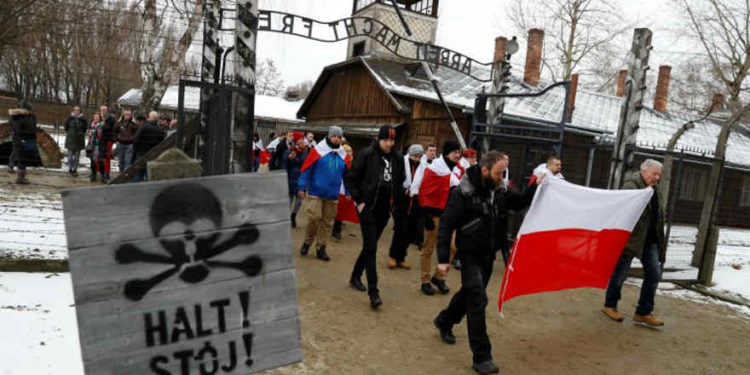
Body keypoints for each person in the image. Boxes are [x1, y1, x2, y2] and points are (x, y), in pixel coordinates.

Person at [433, 151, 542, 374]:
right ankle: (482, 356)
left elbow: (519, 202)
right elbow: (446, 224)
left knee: (469, 295)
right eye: (499, 172)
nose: (503, 177)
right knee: (478, 300)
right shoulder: (463, 192)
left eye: (503, 172)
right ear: (484, 171)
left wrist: (536, 185)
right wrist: (443, 258)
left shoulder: (499, 190)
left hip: (488, 255)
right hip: (469, 254)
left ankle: (444, 321)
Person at [346, 125, 406, 309]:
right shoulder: (367, 154)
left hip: (384, 208)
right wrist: (359, 201)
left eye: (392, 140)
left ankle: (355, 275)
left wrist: (397, 205)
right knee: (371, 247)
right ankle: (374, 292)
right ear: (379, 139)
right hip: (367, 206)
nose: (389, 143)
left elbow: (400, 181)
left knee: (369, 246)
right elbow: (351, 178)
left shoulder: (397, 158)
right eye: (386, 140)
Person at [602, 159, 666, 328]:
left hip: (649, 240)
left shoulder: (656, 190)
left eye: (659, 174)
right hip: (631, 239)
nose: (657, 177)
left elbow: (658, 215)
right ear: (643, 171)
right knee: (620, 273)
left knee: (653, 274)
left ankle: (643, 311)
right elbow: (623, 209)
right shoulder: (631, 186)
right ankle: (610, 305)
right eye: (654, 174)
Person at [411, 140, 461, 296]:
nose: (457, 155)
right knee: (428, 249)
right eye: (455, 152)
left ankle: (438, 277)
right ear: (447, 153)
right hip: (433, 215)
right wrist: (425, 215)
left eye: (459, 153)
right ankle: (425, 281)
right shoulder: (433, 169)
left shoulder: (454, 170)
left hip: (449, 216)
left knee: (453, 247)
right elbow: (423, 190)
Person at [298, 126, 349, 262]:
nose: (336, 139)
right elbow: (306, 169)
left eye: (339, 137)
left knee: (327, 223)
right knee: (314, 218)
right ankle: (308, 242)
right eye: (334, 136)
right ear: (329, 136)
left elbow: (347, 176)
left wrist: (349, 191)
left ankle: (321, 247)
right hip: (316, 191)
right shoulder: (318, 151)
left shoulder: (343, 154)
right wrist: (302, 187)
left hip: (332, 194)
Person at [387, 144, 425, 270]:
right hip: (402, 202)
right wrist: (403, 191)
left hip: (415, 202)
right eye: (415, 155)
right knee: (400, 230)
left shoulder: (423, 166)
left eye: (419, 156)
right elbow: (395, 181)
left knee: (410, 233)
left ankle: (402, 257)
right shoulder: (401, 163)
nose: (417, 158)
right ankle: (393, 256)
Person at [332, 143, 358, 240]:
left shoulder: (354, 163)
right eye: (346, 151)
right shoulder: (339, 161)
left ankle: (337, 229)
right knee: (335, 208)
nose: (348, 153)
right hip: (338, 187)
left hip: (347, 188)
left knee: (343, 209)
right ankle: (334, 227)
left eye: (350, 151)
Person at [8, 100, 37, 185]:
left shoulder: (14, 116)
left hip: (17, 138)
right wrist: (32, 118)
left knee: (21, 158)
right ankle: (20, 178)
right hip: (24, 139)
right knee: (22, 159)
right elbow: (30, 128)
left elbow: (12, 125)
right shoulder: (24, 117)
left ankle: (21, 177)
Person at [132, 111, 166, 182]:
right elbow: (162, 143)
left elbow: (136, 139)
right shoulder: (160, 130)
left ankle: (133, 190)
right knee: (149, 174)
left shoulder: (143, 127)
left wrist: (137, 150)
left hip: (141, 154)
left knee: (138, 173)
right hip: (153, 155)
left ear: (149, 118)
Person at [284, 132, 307, 227]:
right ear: (296, 140)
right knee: (290, 199)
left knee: (300, 200)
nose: (302, 141)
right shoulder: (290, 151)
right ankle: (286, 218)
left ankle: (293, 215)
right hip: (291, 178)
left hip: (301, 178)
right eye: (300, 139)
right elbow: (285, 165)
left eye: (303, 139)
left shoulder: (305, 151)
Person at [64, 106, 88, 176]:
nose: (76, 111)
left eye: (77, 110)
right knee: (70, 155)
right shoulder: (69, 118)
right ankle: (70, 168)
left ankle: (75, 169)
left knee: (77, 156)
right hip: (70, 139)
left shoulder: (83, 119)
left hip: (79, 140)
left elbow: (85, 129)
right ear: (73, 111)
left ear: (80, 111)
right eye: (75, 110)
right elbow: (66, 127)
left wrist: (80, 133)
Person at [100, 107, 117, 182]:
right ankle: (104, 173)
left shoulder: (111, 120)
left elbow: (109, 129)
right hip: (103, 141)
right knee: (104, 158)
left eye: (105, 110)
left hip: (107, 141)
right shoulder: (104, 118)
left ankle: (106, 174)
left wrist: (103, 125)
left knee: (106, 157)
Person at [87, 114, 105, 183]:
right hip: (92, 145)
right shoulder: (91, 125)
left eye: (97, 117)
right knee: (93, 162)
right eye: (94, 117)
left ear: (100, 118)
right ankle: (93, 175)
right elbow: (89, 134)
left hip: (100, 145)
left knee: (100, 161)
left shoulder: (101, 125)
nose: (96, 118)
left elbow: (102, 135)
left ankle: (102, 176)